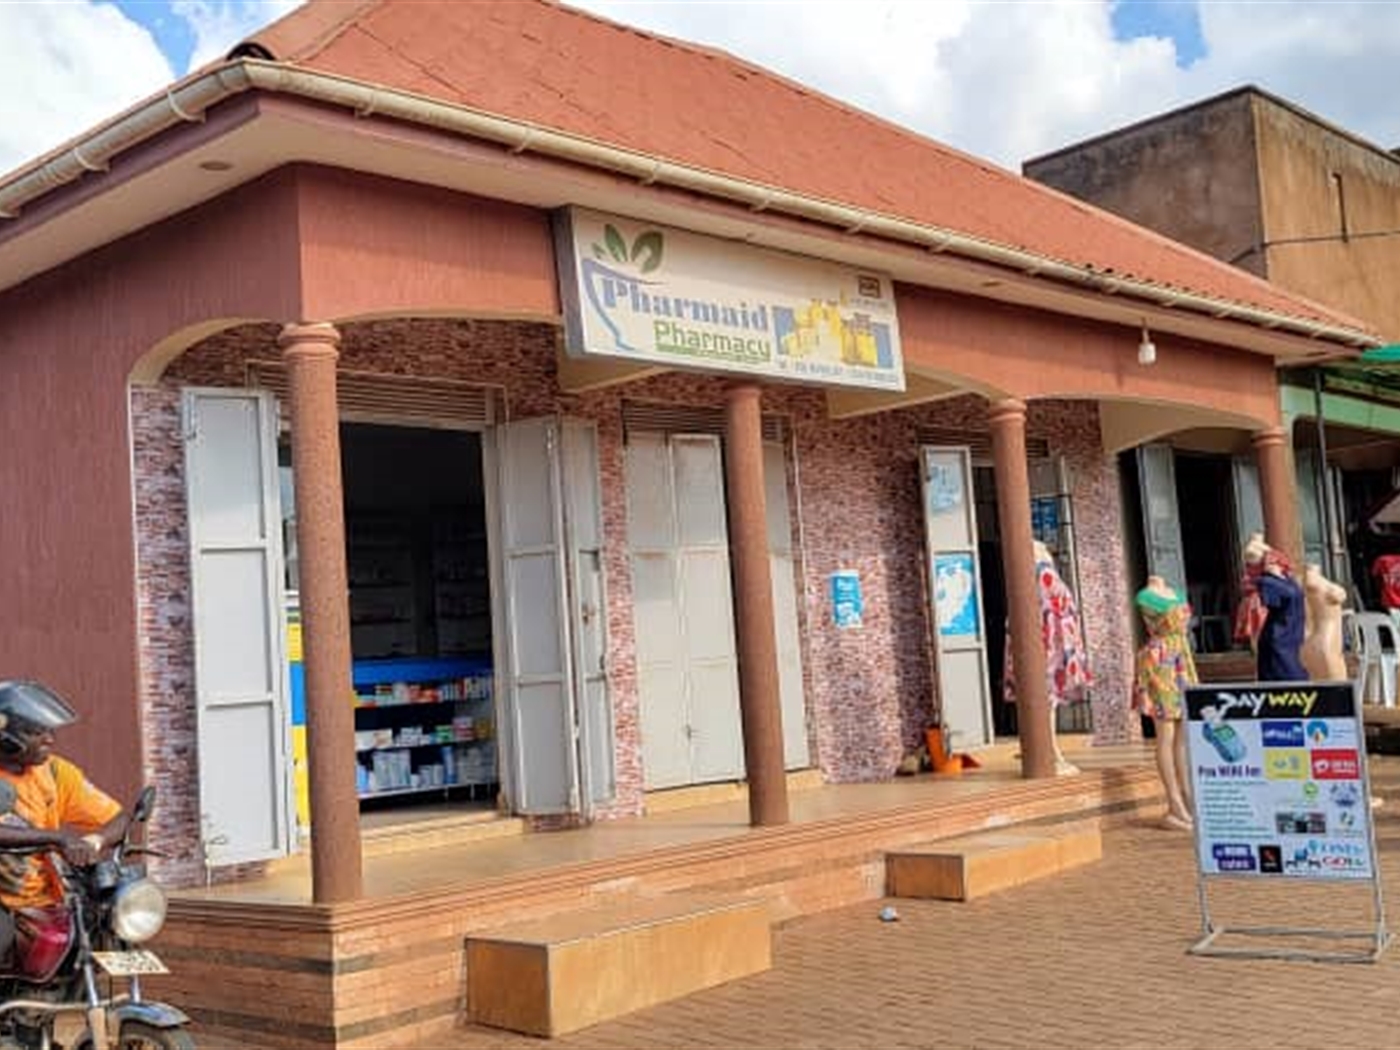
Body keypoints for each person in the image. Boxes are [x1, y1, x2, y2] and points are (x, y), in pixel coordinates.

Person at [0, 681, 127, 971]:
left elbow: (118, 819)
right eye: (36, 732)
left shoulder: (56, 772)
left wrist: (94, 842)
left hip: (52, 900)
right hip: (4, 904)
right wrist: (58, 839)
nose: (49, 739)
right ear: (6, 737)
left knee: (100, 927)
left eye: (50, 730)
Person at [1004, 540, 1092, 775]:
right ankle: (1049, 751)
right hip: (1045, 639)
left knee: (1049, 698)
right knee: (1045, 696)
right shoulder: (1035, 563)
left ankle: (1051, 750)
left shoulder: (1039, 560)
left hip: (1054, 638)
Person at [1131, 577, 1196, 831]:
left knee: (1182, 738)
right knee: (1165, 737)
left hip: (1180, 661)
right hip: (1159, 666)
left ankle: (1188, 796)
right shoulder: (1146, 596)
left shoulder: (1174, 592)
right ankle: (1174, 801)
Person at [1233, 533, 1307, 682]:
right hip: (1278, 637)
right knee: (1284, 675)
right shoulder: (1265, 583)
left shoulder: (1287, 580)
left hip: (1292, 631)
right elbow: (1254, 615)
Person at [1300, 564, 1348, 681]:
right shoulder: (1318, 583)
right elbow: (1338, 596)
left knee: (1317, 680)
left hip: (1311, 637)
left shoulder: (1304, 587)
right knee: (1335, 681)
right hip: (1327, 636)